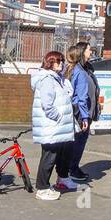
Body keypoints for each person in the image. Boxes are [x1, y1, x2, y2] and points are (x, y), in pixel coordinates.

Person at [31, 50, 77, 200]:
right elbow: (47, 105)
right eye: (58, 61)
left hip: (57, 127)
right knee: (49, 157)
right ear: (50, 62)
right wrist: (58, 117)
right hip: (51, 126)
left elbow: (66, 94)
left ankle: (55, 181)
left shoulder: (57, 78)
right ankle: (42, 188)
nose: (61, 64)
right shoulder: (47, 80)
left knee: (57, 155)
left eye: (62, 61)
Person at [66, 43, 98, 182]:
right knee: (78, 141)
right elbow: (81, 96)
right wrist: (85, 116)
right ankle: (71, 169)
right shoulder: (78, 71)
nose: (91, 52)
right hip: (80, 112)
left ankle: (71, 168)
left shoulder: (84, 69)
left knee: (78, 141)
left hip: (84, 111)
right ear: (82, 52)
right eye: (89, 49)